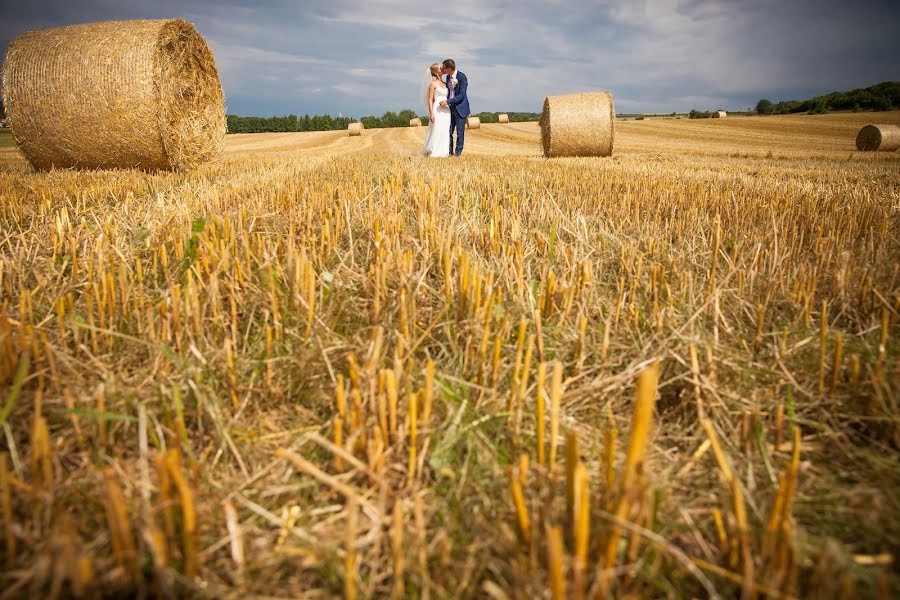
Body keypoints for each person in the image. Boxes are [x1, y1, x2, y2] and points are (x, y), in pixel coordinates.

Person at [439, 59, 470, 157]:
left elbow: (461, 95)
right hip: (450, 109)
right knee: (449, 131)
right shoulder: (448, 77)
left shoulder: (462, 77)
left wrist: (447, 102)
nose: (442, 70)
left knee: (460, 133)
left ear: (449, 69)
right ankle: (449, 152)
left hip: (460, 109)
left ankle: (457, 154)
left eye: (443, 68)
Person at [420, 63, 451, 157]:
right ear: (437, 73)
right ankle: (433, 150)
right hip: (437, 109)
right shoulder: (433, 84)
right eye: (441, 69)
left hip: (446, 110)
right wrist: (431, 113)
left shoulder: (446, 84)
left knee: (445, 130)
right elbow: (430, 99)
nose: (443, 69)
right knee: (436, 129)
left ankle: (444, 151)